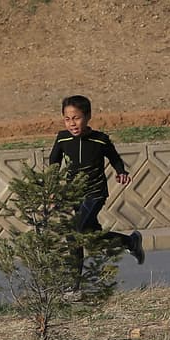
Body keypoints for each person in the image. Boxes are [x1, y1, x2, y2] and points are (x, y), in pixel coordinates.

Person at [47, 94, 145, 290]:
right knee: (90, 234)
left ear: (88, 116)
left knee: (75, 233)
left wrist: (121, 172)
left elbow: (115, 158)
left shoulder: (100, 140)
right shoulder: (62, 138)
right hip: (72, 194)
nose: (72, 123)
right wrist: (52, 188)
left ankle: (74, 286)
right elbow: (54, 162)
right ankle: (130, 241)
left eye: (76, 118)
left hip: (95, 193)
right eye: (67, 118)